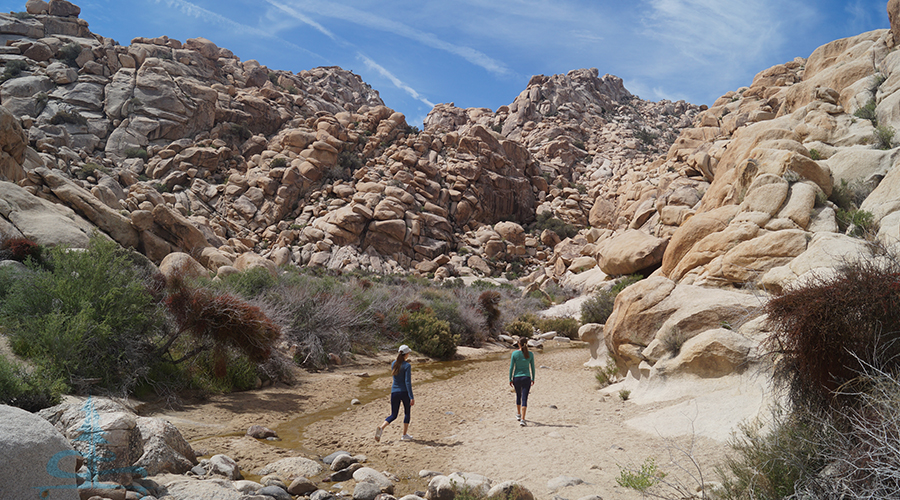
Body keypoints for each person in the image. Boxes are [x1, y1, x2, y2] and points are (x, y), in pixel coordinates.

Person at [376, 344, 415, 441]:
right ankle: (404, 435)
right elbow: (407, 382)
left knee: (393, 414)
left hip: (394, 392)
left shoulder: (393, 363)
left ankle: (381, 428)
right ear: (406, 354)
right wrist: (411, 396)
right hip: (404, 392)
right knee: (407, 413)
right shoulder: (407, 366)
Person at [509, 337, 535, 426]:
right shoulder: (530, 354)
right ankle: (523, 419)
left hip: (517, 377)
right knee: (524, 398)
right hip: (526, 377)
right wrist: (533, 378)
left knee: (518, 396)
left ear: (519, 344)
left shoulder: (514, 354)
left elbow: (511, 367)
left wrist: (510, 379)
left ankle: (518, 414)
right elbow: (532, 367)